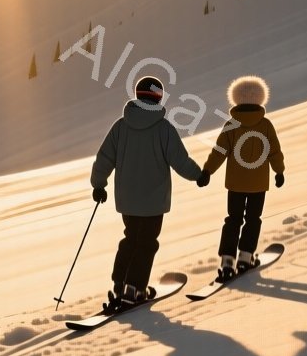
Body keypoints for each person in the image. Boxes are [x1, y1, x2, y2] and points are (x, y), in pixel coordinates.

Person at [91, 76, 205, 310]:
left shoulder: (121, 126)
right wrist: (198, 175)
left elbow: (104, 158)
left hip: (128, 201)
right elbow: (179, 160)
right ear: (159, 97)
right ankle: (135, 289)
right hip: (153, 202)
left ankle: (120, 286)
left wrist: (99, 184)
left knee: (131, 239)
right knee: (146, 243)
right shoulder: (164, 129)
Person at [197, 76, 286, 279]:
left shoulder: (231, 125)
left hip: (235, 184)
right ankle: (246, 256)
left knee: (233, 219)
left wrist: (207, 171)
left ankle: (227, 260)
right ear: (260, 99)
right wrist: (279, 171)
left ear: (236, 99)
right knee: (253, 219)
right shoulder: (265, 125)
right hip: (258, 184)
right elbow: (275, 151)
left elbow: (219, 152)